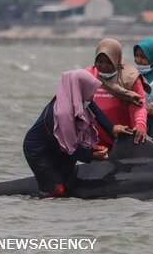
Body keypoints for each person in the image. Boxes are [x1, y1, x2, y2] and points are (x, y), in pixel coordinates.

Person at [23, 69, 130, 198]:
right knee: (56, 190)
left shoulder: (77, 99)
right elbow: (71, 148)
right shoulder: (62, 114)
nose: (92, 96)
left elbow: (94, 108)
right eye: (90, 92)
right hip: (39, 151)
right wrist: (93, 155)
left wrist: (112, 129)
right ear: (79, 89)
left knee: (68, 185)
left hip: (58, 146)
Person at [85, 38, 150, 148]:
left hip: (123, 141)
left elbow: (139, 105)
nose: (104, 65)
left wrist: (141, 124)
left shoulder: (129, 78)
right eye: (100, 61)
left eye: (109, 62)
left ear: (117, 60)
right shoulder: (87, 75)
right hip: (94, 142)